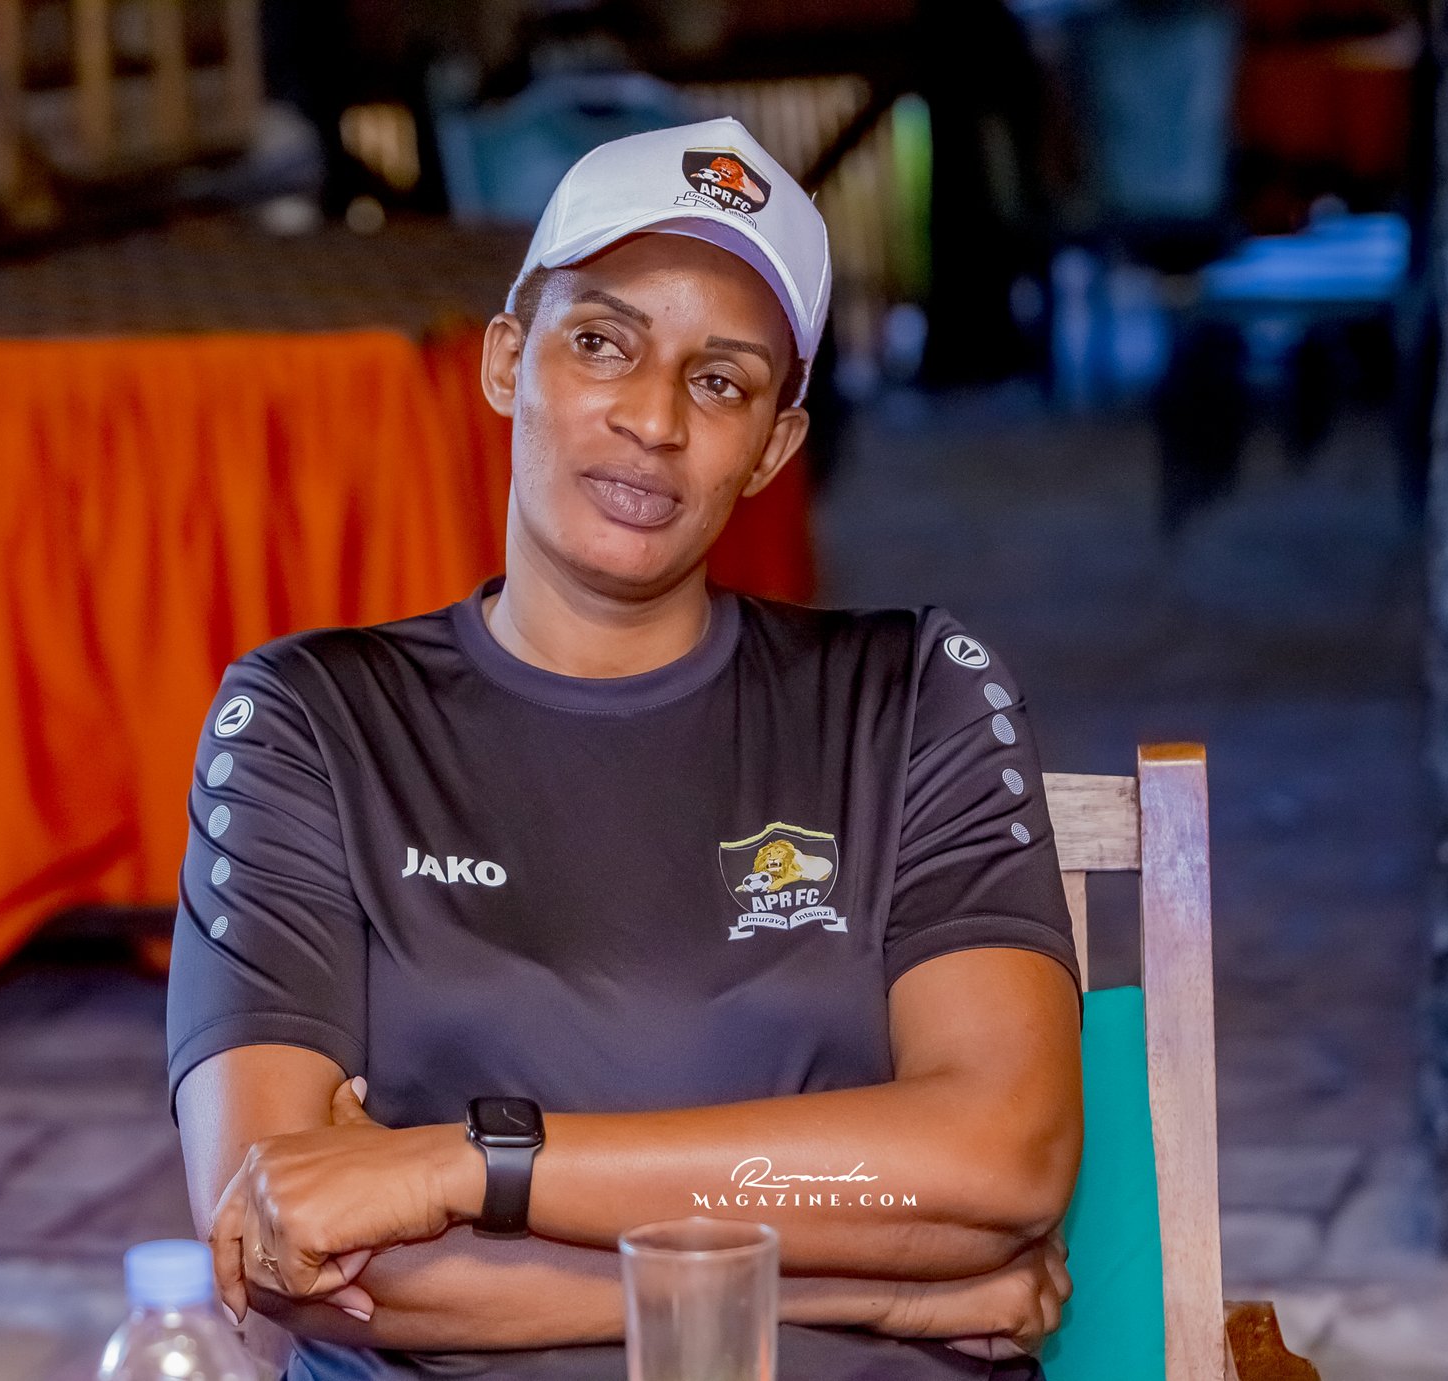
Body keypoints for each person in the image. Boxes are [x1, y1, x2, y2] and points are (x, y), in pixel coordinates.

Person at [167, 116, 1083, 1380]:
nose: (653, 418)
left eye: (721, 382)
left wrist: (469, 1166)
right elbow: (280, 1236)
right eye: (601, 342)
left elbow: (1003, 1157)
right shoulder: (310, 723)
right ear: (506, 360)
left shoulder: (910, 693)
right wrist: (877, 1282)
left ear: (772, 448)